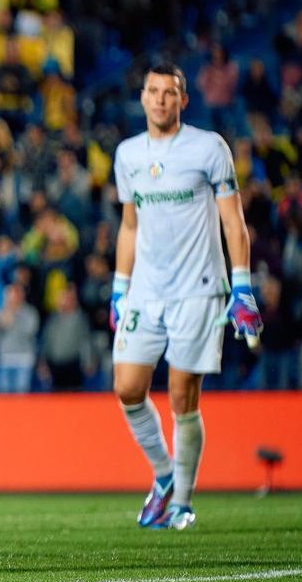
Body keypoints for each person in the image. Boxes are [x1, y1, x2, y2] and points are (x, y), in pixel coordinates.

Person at [110, 62, 263, 531]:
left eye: (169, 92)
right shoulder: (128, 154)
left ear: (183, 100)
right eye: (153, 91)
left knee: (182, 396)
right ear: (142, 99)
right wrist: (119, 288)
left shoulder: (208, 147)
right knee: (128, 389)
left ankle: (184, 501)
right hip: (146, 292)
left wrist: (243, 286)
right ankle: (164, 476)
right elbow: (130, 225)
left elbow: (234, 222)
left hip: (198, 291)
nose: (160, 99)